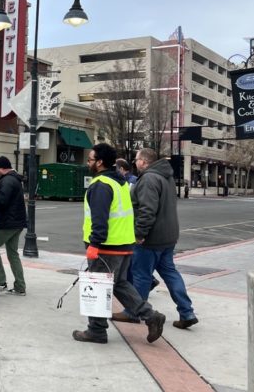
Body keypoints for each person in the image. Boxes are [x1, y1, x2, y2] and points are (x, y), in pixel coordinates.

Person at [72, 143, 166, 344]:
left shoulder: (100, 185)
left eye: (90, 159)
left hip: (106, 248)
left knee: (97, 287)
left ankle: (96, 330)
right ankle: (151, 316)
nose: (87, 162)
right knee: (120, 284)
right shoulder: (120, 182)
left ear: (99, 162)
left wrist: (94, 245)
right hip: (124, 244)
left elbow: (100, 220)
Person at [112, 148, 199, 329]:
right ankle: (187, 312)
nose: (135, 163)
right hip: (168, 236)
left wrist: (139, 234)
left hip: (151, 238)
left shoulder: (149, 178)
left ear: (144, 161)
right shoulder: (166, 177)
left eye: (136, 160)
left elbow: (147, 210)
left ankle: (134, 311)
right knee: (170, 273)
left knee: (141, 275)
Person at [0, 156, 27, 296]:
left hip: (7, 222)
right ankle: (20, 286)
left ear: (2, 168)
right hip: (16, 222)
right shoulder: (13, 179)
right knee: (12, 253)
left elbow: (2, 202)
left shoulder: (7, 181)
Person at [118, 157, 160, 291]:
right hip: (130, 225)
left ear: (121, 169)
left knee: (132, 261)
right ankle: (144, 283)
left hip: (130, 226)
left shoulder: (132, 182)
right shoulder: (135, 180)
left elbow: (143, 207)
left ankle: (137, 295)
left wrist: (139, 232)